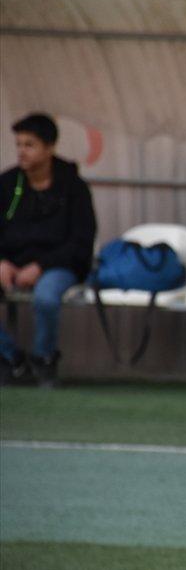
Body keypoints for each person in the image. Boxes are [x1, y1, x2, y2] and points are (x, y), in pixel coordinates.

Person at [0, 112, 97, 388]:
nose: (22, 151)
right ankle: (12, 359)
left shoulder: (74, 188)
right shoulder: (7, 184)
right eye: (18, 144)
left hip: (59, 266)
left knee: (46, 296)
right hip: (11, 265)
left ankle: (44, 360)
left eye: (29, 145)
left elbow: (81, 241)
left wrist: (40, 266)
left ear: (50, 147)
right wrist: (2, 262)